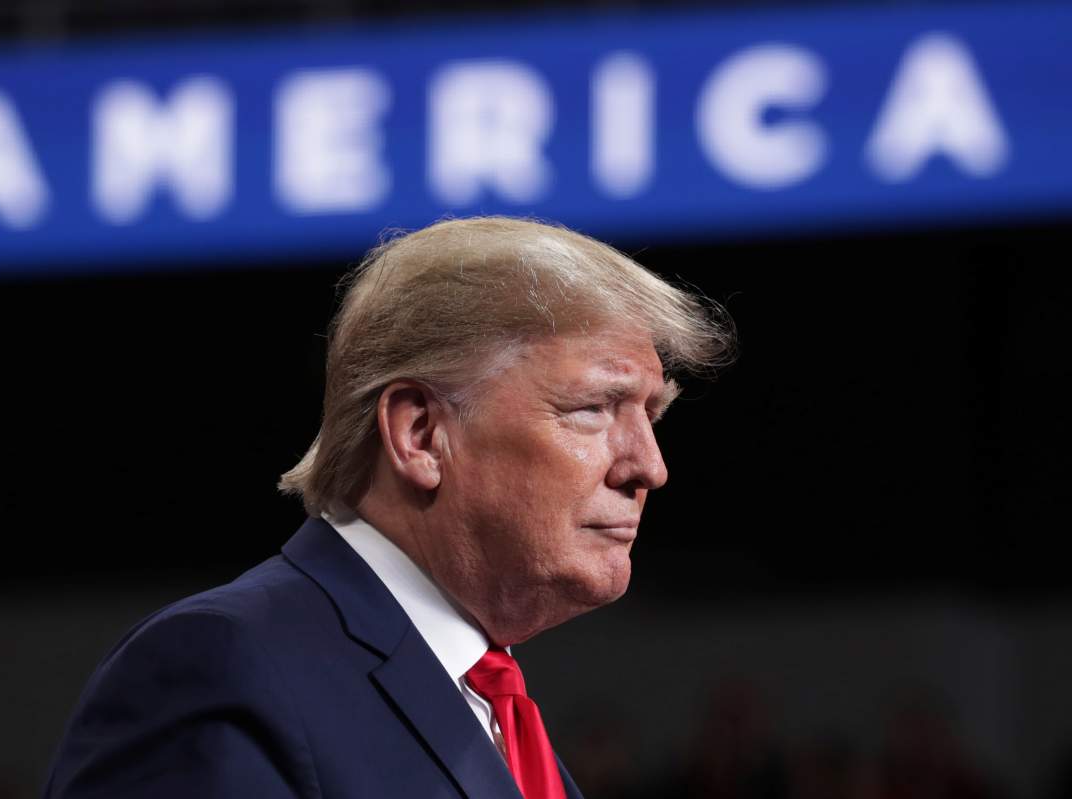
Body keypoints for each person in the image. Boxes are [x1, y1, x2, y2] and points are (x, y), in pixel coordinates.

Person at [43, 216, 733, 798]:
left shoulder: (497, 713)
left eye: (650, 416)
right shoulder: (223, 665)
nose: (650, 466)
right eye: (594, 409)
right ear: (420, 434)